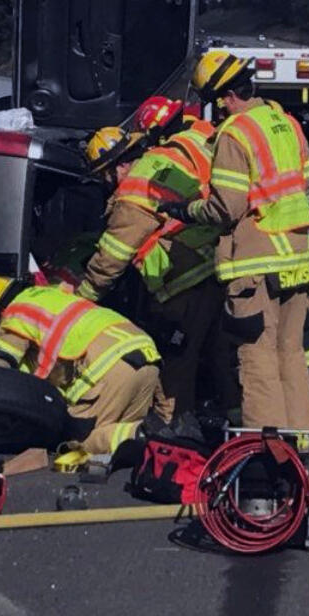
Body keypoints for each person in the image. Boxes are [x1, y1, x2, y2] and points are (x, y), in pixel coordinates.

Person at [161, 51, 309, 429]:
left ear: (227, 96)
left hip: (256, 267)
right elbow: (306, 182)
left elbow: (226, 208)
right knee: (291, 356)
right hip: (298, 259)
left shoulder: (235, 132)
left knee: (257, 359)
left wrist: (186, 211)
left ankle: (268, 456)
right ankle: (299, 445)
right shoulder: (286, 122)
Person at [76, 97, 233, 422]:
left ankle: (173, 433)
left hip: (182, 284)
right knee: (220, 357)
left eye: (105, 176)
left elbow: (113, 256)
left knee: (175, 367)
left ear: (117, 165)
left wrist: (83, 300)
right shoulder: (163, 162)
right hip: (212, 271)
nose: (107, 184)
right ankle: (236, 424)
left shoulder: (133, 189)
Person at [0, 276, 160, 460]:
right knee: (122, 446)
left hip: (109, 364)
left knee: (75, 446)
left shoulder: (14, 315)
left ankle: (149, 433)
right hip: (146, 355)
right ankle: (156, 433)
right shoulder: (52, 296)